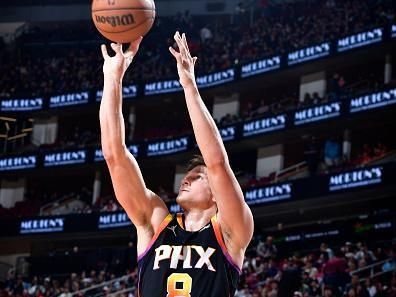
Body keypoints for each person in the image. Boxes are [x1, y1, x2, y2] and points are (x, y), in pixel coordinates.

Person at [99, 31, 254, 297]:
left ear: (217, 191)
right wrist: (112, 78)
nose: (186, 178)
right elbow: (115, 155)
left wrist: (189, 86)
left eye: (197, 176)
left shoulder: (231, 231)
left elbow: (217, 163)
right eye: (188, 174)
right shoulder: (156, 221)